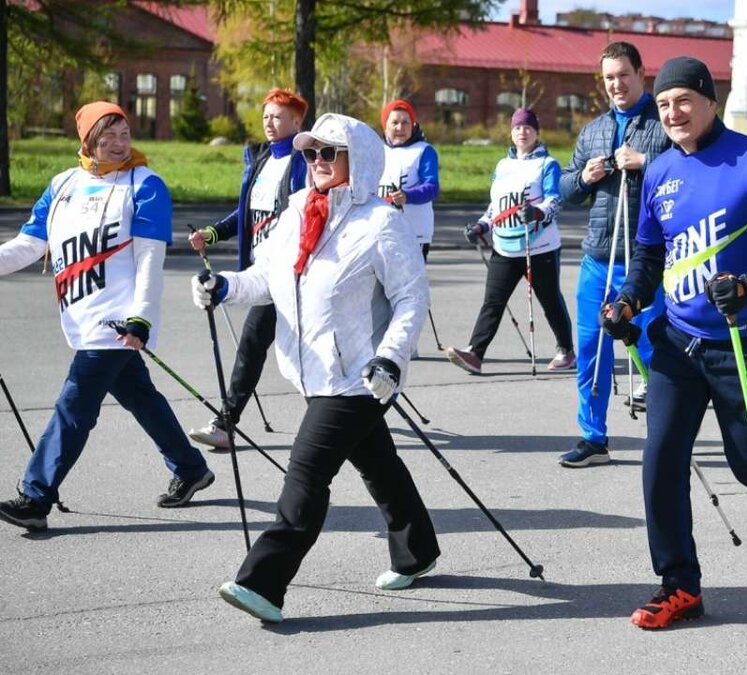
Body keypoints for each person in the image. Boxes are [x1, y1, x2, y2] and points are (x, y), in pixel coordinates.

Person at [604, 56, 747, 629]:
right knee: (660, 459)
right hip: (679, 340)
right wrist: (629, 300)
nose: (673, 113)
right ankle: (679, 584)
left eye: (683, 100)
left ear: (711, 101)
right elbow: (651, 255)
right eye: (663, 105)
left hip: (746, 340)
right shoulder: (658, 172)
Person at [194, 113, 439, 623]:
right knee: (379, 465)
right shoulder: (297, 211)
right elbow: (265, 278)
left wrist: (391, 357)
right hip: (313, 370)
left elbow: (411, 297)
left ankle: (262, 583)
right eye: (311, 153)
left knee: (305, 477)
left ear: (359, 159)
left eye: (330, 152)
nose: (318, 162)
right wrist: (223, 288)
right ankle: (419, 551)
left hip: (359, 375)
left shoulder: (381, 222)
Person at [0, 102, 214, 531]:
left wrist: (142, 319)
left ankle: (36, 496)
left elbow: (151, 260)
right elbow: (28, 244)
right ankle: (192, 469)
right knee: (140, 396)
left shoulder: (146, 184)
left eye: (124, 133)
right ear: (88, 143)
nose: (119, 144)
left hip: (117, 319)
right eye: (107, 137)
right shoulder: (63, 185)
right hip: (80, 315)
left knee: (74, 405)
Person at [558, 40, 669, 468]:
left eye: (623, 75)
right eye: (609, 78)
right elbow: (565, 190)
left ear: (641, 74)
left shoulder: (661, 125)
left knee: (654, 350)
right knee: (591, 350)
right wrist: (584, 178)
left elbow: (686, 170)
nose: (616, 84)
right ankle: (593, 437)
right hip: (598, 259)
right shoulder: (593, 131)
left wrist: (646, 161)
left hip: (647, 260)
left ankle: (665, 437)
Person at [187, 88, 309, 449]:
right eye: (266, 116)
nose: (269, 123)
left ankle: (345, 418)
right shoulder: (262, 160)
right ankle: (225, 424)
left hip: (297, 275)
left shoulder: (304, 161)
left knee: (305, 351)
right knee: (253, 345)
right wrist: (212, 233)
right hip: (264, 275)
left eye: (278, 116)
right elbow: (248, 213)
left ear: (297, 121)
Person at [445, 108, 575, 374]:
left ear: (537, 132)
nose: (522, 132)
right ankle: (475, 354)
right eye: (517, 127)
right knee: (492, 301)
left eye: (528, 127)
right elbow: (496, 206)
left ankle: (566, 350)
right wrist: (482, 225)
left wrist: (537, 212)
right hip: (504, 246)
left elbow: (554, 200)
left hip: (538, 247)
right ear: (511, 132)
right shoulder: (502, 166)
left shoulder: (546, 164)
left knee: (550, 300)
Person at [378, 98, 440, 258]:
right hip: (380, 232)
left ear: (413, 125)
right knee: (378, 283)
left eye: (406, 122)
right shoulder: (376, 150)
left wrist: (407, 196)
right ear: (385, 126)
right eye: (395, 122)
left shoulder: (424, 151)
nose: (400, 127)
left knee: (407, 283)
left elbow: (432, 187)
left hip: (414, 233)